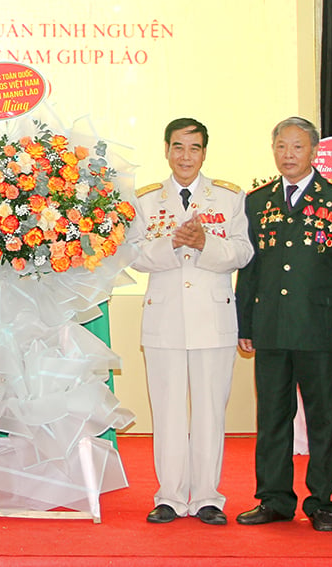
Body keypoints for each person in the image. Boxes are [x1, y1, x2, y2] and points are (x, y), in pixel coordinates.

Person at [234, 116, 332, 532]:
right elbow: (250, 270)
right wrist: (245, 323)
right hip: (271, 327)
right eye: (281, 146)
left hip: (321, 330)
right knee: (272, 416)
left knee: (322, 418)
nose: (287, 155)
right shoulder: (257, 201)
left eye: (296, 147)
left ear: (313, 152)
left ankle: (323, 502)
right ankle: (274, 499)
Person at [132, 118, 254, 524]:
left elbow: (242, 252)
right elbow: (132, 255)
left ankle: (206, 498)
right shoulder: (146, 200)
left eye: (195, 148)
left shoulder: (228, 197)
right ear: (166, 150)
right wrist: (172, 243)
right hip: (164, 317)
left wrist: (205, 244)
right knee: (167, 411)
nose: (186, 156)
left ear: (205, 152)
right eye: (179, 147)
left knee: (209, 411)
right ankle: (168, 496)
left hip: (213, 316)